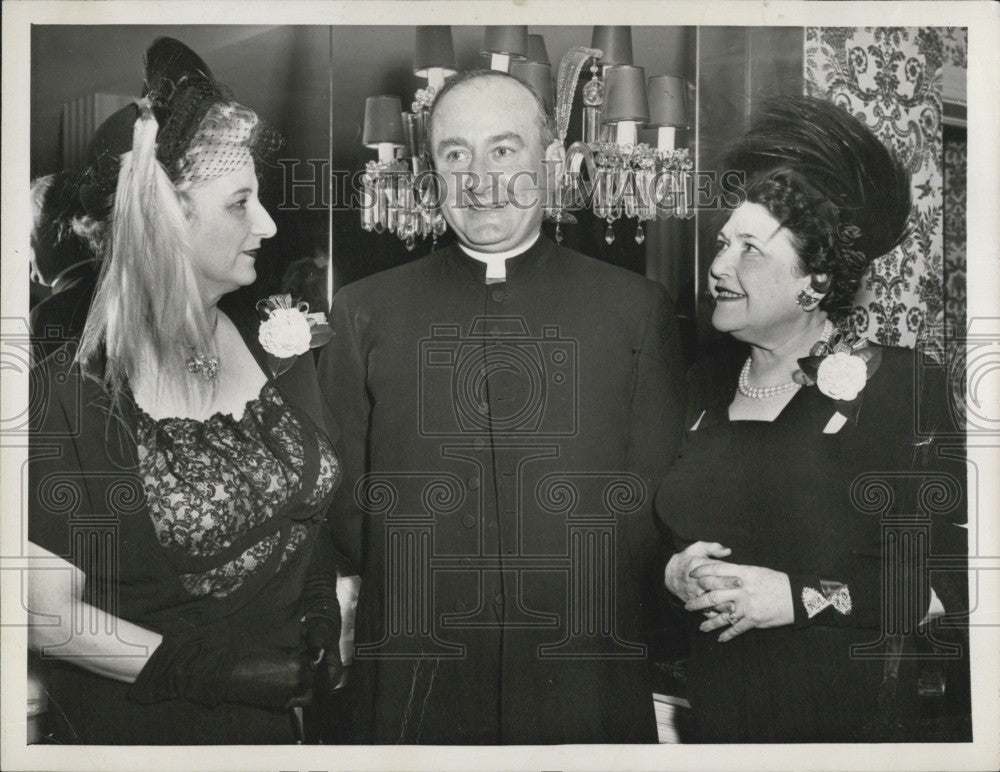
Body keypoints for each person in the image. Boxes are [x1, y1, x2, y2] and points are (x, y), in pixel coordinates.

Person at [319, 69, 685, 744]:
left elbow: (651, 496)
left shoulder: (635, 309)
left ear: (550, 163)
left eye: (504, 150)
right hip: (415, 656)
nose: (480, 179)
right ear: (431, 175)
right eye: (456, 154)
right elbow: (343, 497)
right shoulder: (365, 310)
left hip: (584, 661)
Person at [27, 37, 344, 744]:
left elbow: (311, 505)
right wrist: (219, 673)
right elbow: (48, 616)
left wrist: (320, 613)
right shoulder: (65, 397)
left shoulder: (276, 347)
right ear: (163, 220)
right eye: (240, 203)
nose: (265, 223)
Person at [655, 95, 969, 742]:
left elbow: (952, 582)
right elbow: (655, 534)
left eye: (749, 250)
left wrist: (798, 598)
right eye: (723, 242)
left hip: (845, 725)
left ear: (816, 281)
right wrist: (673, 569)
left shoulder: (900, 387)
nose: (718, 266)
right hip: (714, 722)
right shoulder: (699, 387)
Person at [28, 171, 100, 353]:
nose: (28, 250)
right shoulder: (116, 294)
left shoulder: (46, 316)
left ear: (58, 232)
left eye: (29, 237)